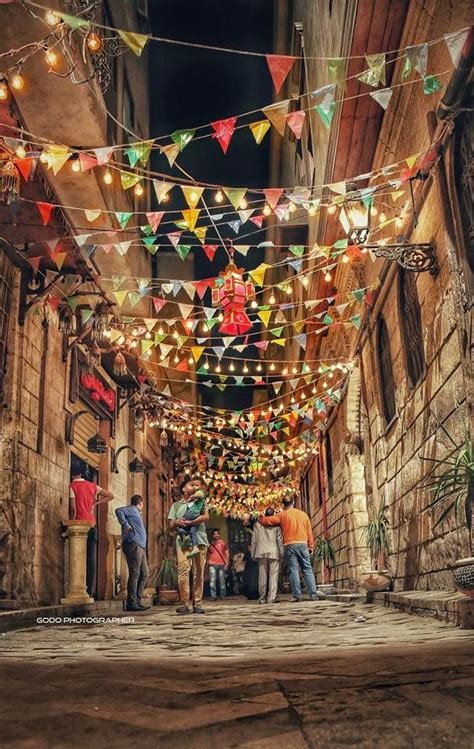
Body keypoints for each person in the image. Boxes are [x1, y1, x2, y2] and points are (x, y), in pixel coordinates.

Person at [259, 494, 325, 602]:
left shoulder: (282, 515)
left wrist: (261, 519)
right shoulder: (303, 515)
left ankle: (297, 596)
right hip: (303, 544)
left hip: (289, 545)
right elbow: (309, 531)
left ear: (283, 505)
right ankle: (313, 595)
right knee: (307, 569)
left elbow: (268, 521)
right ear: (293, 503)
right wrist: (311, 546)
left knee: (293, 570)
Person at [69, 462, 114, 598]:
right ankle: (90, 591)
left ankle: (78, 589)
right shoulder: (92, 486)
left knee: (78, 558)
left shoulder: (72, 486)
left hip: (79, 527)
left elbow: (73, 508)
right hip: (92, 525)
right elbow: (110, 495)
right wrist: (95, 503)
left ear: (72, 473)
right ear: (82, 473)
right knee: (91, 559)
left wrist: (72, 521)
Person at [168, 478, 209, 615]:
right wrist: (177, 522)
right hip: (183, 542)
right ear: (184, 489)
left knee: (198, 572)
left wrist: (192, 522)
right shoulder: (176, 506)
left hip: (200, 540)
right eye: (191, 485)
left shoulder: (200, 500)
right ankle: (184, 603)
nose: (195, 486)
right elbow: (171, 524)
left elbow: (206, 516)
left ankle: (198, 603)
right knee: (183, 571)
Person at [115, 495, 150, 612]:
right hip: (133, 544)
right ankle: (131, 603)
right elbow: (118, 510)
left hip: (141, 546)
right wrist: (125, 524)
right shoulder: (131, 509)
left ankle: (137, 600)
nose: (143, 506)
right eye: (143, 504)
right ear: (140, 503)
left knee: (145, 573)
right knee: (135, 573)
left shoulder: (136, 512)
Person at [251, 507, 283, 604]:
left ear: (265, 514)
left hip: (261, 552)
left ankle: (262, 598)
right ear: (273, 515)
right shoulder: (277, 525)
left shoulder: (257, 524)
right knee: (273, 576)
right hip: (274, 552)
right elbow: (279, 540)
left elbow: (254, 540)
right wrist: (282, 553)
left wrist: (253, 553)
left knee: (262, 576)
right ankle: (271, 598)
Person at [175, 481, 207, 558]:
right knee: (192, 532)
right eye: (193, 485)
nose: (194, 487)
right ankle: (194, 547)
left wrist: (190, 499)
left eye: (196, 485)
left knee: (181, 527)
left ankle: (188, 542)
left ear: (202, 487)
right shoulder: (177, 504)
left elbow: (196, 496)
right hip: (195, 515)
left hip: (193, 513)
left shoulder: (200, 492)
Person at [207, 529, 229, 600]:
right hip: (212, 564)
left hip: (221, 564)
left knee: (222, 581)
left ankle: (223, 595)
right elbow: (207, 554)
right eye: (214, 534)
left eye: (217, 534)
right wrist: (206, 564)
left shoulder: (223, 543)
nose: (216, 535)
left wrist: (227, 563)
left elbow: (227, 553)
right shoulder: (210, 544)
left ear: (219, 535)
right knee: (212, 581)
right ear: (212, 535)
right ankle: (213, 596)